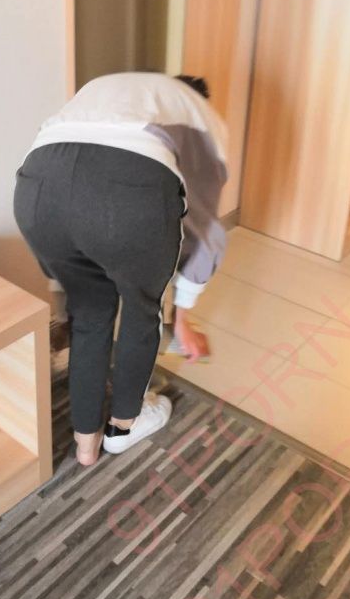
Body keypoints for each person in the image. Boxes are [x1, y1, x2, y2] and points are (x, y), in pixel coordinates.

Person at [14, 71, 227, 466]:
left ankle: (85, 443)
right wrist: (182, 316)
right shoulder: (202, 116)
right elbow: (205, 229)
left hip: (36, 191)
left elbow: (66, 159)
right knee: (142, 310)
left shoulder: (111, 88)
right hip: (128, 196)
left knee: (88, 313)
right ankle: (123, 429)